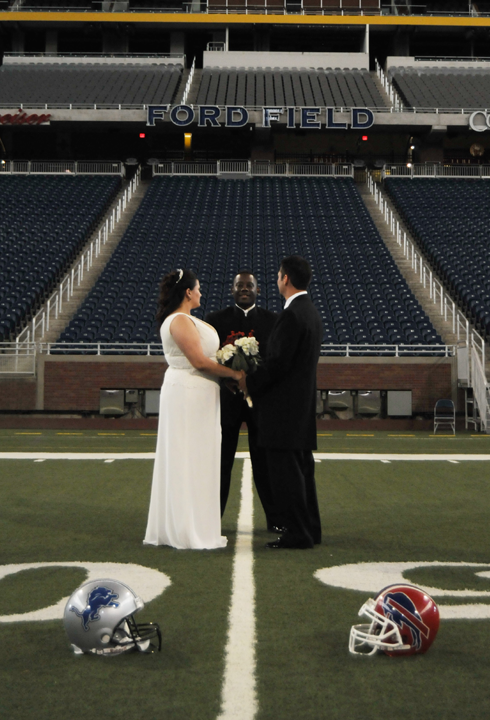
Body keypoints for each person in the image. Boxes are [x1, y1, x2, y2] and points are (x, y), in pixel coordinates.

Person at [144, 269, 244, 550]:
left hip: (200, 393)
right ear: (187, 292)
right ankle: (186, 530)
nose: (201, 293)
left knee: (199, 458)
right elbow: (199, 362)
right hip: (188, 391)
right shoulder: (179, 321)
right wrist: (235, 375)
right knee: (187, 457)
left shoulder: (185, 319)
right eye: (198, 288)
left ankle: (194, 523)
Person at [238, 256, 323, 549]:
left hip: (284, 412)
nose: (277, 279)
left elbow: (277, 365)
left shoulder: (292, 315)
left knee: (287, 476)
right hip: (300, 409)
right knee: (302, 473)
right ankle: (310, 528)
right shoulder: (310, 311)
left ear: (285, 278)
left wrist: (247, 382)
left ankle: (298, 533)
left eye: (278, 275)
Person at [205, 271, 283, 531]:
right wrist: (226, 380)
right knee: (221, 462)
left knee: (265, 464)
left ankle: (275, 520)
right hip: (227, 401)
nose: (245, 289)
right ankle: (212, 520)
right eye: (240, 285)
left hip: (260, 403)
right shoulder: (215, 321)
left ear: (258, 290)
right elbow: (209, 359)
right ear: (232, 289)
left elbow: (274, 361)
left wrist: (254, 383)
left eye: (249, 285)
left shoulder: (273, 321)